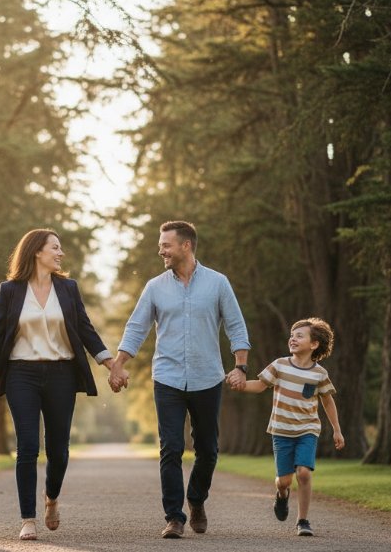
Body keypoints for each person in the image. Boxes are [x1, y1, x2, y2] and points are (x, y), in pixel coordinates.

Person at [108, 220, 251, 539]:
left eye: (166, 245)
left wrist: (240, 366)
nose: (161, 250)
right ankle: (174, 516)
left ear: (186, 246)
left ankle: (197, 499)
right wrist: (117, 365)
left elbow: (236, 326)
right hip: (168, 378)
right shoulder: (155, 286)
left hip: (208, 378)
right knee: (171, 447)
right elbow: (136, 328)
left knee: (208, 449)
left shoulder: (217, 283)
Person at [0, 228, 113, 541]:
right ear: (37, 251)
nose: (60, 253)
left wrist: (110, 363)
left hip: (61, 374)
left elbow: (85, 328)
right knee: (27, 446)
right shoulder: (10, 290)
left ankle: (51, 498)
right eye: (55, 247)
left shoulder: (67, 288)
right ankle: (28, 518)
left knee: (58, 450)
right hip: (20, 373)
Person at [230, 317, 345, 537]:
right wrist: (240, 385)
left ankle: (303, 520)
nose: (293, 338)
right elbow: (260, 385)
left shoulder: (319, 373)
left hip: (307, 430)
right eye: (292, 335)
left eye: (299, 335)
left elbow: (327, 401)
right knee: (284, 481)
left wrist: (336, 429)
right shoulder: (280, 365)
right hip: (281, 431)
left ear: (314, 344)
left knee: (303, 473)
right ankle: (281, 495)